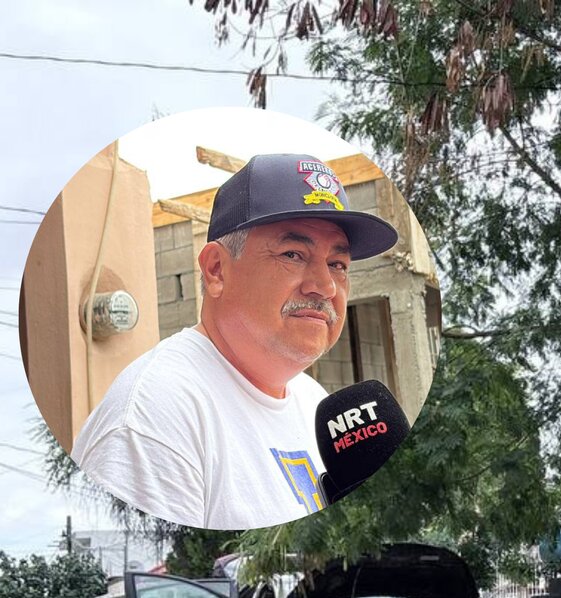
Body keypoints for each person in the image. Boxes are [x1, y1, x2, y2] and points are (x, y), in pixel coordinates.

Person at [71, 153, 399, 529]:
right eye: (293, 255)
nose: (325, 286)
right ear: (217, 270)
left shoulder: (313, 402)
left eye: (337, 264)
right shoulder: (154, 417)